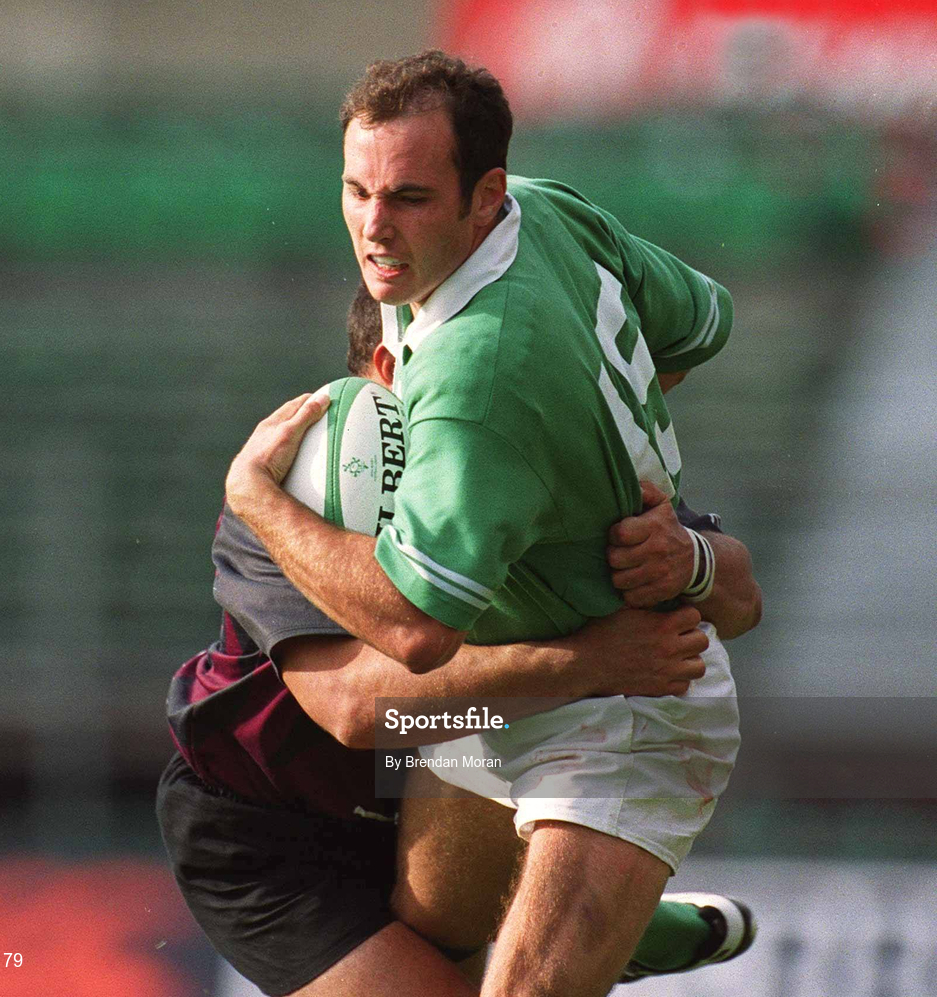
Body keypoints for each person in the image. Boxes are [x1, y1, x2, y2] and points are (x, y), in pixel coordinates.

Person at [224, 51, 755, 997]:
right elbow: (698, 324)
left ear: (484, 194)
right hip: (486, 707)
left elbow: (411, 637)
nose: (374, 228)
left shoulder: (472, 393)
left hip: (619, 710)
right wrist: (586, 443)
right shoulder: (544, 212)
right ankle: (636, 927)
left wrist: (253, 497)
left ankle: (609, 904)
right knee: (437, 918)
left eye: (411, 198)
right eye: (356, 191)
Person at [159, 285, 760, 995]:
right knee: (493, 710)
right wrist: (587, 663)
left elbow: (742, 599)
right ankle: (615, 926)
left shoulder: (530, 444)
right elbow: (356, 712)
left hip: (431, 756)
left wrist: (688, 557)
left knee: (495, 721)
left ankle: (572, 910)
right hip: (271, 827)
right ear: (390, 371)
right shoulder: (293, 487)